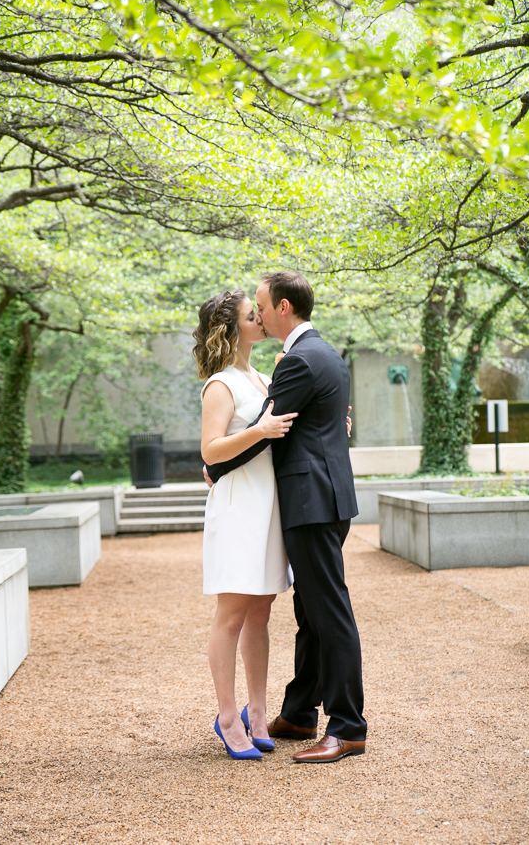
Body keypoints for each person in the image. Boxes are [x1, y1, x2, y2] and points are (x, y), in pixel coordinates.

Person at [205, 271, 367, 764]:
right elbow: (276, 429)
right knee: (307, 613)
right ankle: (297, 711)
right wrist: (216, 464)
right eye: (249, 312)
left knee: (325, 611)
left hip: (306, 501)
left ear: (282, 308)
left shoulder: (294, 363)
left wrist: (215, 467)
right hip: (295, 501)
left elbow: (271, 428)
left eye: (261, 307)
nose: (258, 315)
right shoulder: (317, 355)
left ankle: (348, 727)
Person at [193, 289, 298, 761]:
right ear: (232, 328)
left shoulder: (261, 376)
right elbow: (210, 451)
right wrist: (258, 431)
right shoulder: (221, 384)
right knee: (231, 615)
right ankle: (227, 716)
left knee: (262, 613)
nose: (260, 317)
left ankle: (259, 711)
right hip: (238, 508)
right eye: (251, 315)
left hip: (269, 506)